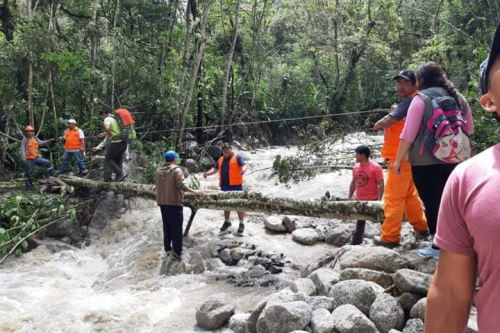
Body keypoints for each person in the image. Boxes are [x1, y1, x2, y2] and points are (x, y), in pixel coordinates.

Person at [426, 23, 500, 333]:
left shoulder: (421, 100)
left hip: (429, 162)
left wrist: (399, 159)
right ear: (489, 100)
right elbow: (450, 294)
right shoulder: (469, 180)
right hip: (454, 162)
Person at [393, 62, 474, 258]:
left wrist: (397, 161)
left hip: (425, 161)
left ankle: (438, 247)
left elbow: (408, 134)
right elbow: (469, 129)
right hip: (457, 159)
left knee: (432, 202)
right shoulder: (458, 97)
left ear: (420, 80)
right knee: (455, 202)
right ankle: (461, 243)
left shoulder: (421, 99)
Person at [372, 70, 428, 247]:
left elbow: (385, 122)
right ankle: (421, 227)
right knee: (410, 196)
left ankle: (389, 237)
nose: (400, 86)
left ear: (415, 84)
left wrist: (376, 125)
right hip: (412, 158)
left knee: (393, 198)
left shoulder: (409, 102)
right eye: (398, 83)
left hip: (400, 159)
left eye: (404, 83)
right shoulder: (419, 100)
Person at [155, 150, 198, 261]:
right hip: (174, 203)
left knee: (167, 226)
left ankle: (167, 250)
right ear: (174, 159)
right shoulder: (176, 170)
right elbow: (180, 185)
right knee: (176, 229)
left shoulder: (159, 171)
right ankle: (177, 254)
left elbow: (157, 186)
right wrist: (193, 191)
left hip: (162, 203)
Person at [203, 143, 247, 234]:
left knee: (239, 205)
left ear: (231, 149)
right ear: (222, 151)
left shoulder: (238, 157)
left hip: (236, 186)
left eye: (227, 149)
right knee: (226, 204)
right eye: (224, 150)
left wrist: (243, 170)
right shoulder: (220, 159)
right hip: (224, 185)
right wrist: (207, 173)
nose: (226, 151)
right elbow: (215, 169)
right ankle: (227, 221)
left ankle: (241, 223)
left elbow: (244, 165)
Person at [348, 145, 384, 245]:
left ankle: (388, 238)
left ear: (362, 155)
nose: (355, 156)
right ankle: (356, 242)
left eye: (357, 154)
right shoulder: (355, 167)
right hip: (359, 199)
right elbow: (353, 183)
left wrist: (379, 199)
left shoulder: (375, 167)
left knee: (382, 220)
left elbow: (381, 183)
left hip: (373, 199)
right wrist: (350, 196)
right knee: (360, 222)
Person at [92, 109, 127, 182]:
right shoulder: (116, 120)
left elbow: (107, 128)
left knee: (108, 159)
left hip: (116, 143)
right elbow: (110, 134)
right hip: (123, 142)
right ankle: (119, 178)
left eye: (102, 115)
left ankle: (120, 173)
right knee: (118, 160)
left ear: (104, 114)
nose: (102, 117)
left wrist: (109, 134)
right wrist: (105, 134)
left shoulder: (107, 119)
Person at [20, 125, 55, 190]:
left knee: (48, 163)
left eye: (31, 131)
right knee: (28, 173)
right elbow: (22, 150)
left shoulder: (35, 138)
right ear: (26, 133)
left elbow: (41, 143)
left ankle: (52, 178)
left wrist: (49, 141)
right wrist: (23, 158)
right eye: (28, 131)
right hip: (29, 159)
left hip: (37, 158)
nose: (30, 133)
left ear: (33, 132)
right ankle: (28, 187)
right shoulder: (25, 140)